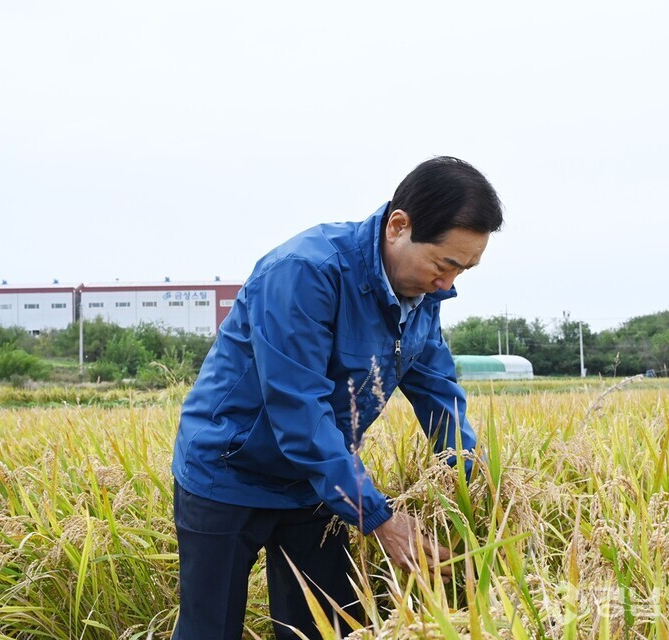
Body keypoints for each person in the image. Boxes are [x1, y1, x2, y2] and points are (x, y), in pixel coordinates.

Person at [171, 156, 503, 639]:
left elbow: (439, 396)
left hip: (316, 482)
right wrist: (380, 518)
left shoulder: (423, 297)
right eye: (444, 263)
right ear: (399, 226)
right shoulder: (305, 273)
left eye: (464, 270)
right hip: (227, 472)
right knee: (210, 628)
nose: (448, 284)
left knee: (326, 627)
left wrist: (478, 486)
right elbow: (298, 411)